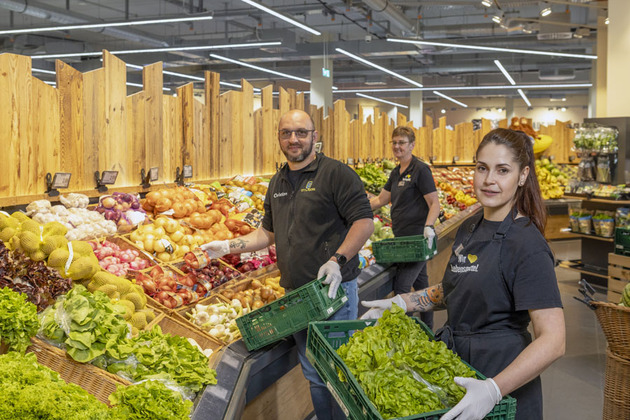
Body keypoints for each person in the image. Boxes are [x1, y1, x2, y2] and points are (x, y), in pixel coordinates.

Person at [362, 128, 566, 420]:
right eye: (482, 168)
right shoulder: (470, 228)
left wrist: (493, 389)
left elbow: (554, 340)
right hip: (459, 368)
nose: (489, 180)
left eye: (503, 170)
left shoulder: (527, 245)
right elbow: (457, 286)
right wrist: (404, 302)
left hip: (502, 377)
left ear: (522, 176)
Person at [202, 109, 374, 420]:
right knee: (314, 374)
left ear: (314, 137)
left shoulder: (336, 174)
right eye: (286, 133)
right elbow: (267, 233)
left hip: (332, 291)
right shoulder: (278, 181)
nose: (293, 139)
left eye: (300, 132)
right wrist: (228, 246)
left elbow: (364, 222)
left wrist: (337, 260)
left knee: (337, 373)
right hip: (296, 295)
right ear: (279, 138)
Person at [369, 126, 440, 329]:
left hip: (417, 241)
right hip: (402, 241)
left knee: (401, 287)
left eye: (402, 142)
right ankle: (430, 330)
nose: (397, 146)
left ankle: (404, 332)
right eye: (394, 142)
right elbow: (382, 199)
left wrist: (429, 227)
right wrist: (358, 208)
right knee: (421, 286)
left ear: (412, 145)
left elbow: (435, 203)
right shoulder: (396, 172)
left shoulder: (420, 170)